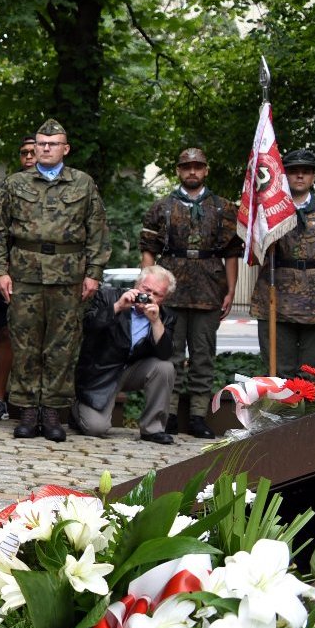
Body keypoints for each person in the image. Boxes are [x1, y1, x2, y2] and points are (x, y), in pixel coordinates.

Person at [0, 119, 108, 443]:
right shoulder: (15, 184)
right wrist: (1, 270)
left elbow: (97, 231)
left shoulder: (83, 184)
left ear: (65, 149)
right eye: (41, 143)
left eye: (52, 144)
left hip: (68, 276)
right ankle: (27, 410)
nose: (45, 148)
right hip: (25, 274)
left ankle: (53, 412)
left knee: (61, 347)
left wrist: (93, 274)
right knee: (24, 345)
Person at [138, 147, 241, 438]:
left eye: (197, 166)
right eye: (186, 167)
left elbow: (232, 252)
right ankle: (166, 413)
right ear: (178, 171)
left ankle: (197, 415)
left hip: (209, 286)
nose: (192, 171)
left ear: (206, 170)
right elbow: (148, 250)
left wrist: (231, 289)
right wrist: (148, 287)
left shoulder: (223, 208)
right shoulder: (161, 207)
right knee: (168, 353)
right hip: (170, 289)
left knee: (203, 355)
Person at [248, 148, 315, 377]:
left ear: (313, 176)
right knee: (279, 374)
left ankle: (313, 415)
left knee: (314, 374)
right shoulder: (268, 212)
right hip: (276, 299)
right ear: (284, 176)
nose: (299, 176)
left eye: (306, 171)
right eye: (294, 171)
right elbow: (254, 255)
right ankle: (283, 414)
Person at [74, 266, 179, 443]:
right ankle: (77, 409)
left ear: (165, 298)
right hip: (101, 372)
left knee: (165, 367)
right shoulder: (108, 296)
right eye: (146, 290)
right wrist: (117, 307)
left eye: (157, 294)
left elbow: (165, 354)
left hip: (132, 370)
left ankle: (152, 429)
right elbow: (88, 327)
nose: (149, 296)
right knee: (96, 428)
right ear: (137, 284)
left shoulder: (165, 316)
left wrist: (155, 322)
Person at [0, 134, 40, 420]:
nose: (29, 157)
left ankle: (40, 400)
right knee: (4, 333)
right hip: (10, 270)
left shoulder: (67, 186)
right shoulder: (5, 187)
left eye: (34, 151)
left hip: (49, 274)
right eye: (24, 152)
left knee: (47, 338)